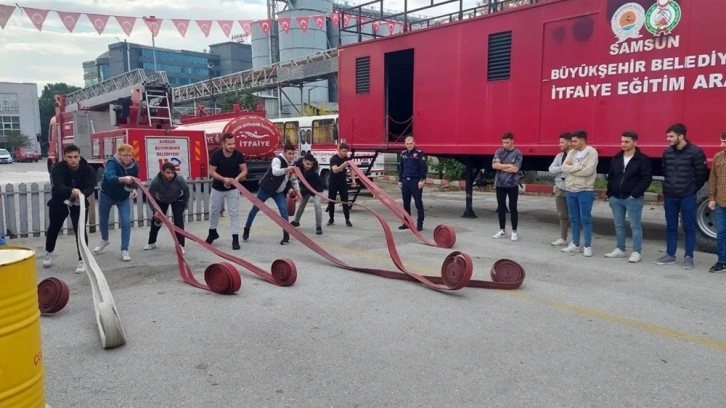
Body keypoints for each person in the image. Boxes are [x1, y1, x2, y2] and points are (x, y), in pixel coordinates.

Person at [657, 123, 707, 269]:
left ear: (681, 136)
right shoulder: (667, 153)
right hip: (670, 195)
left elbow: (701, 175)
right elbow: (665, 171)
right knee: (671, 226)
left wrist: (691, 189)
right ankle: (670, 255)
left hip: (687, 196)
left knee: (689, 227)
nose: (668, 139)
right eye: (667, 136)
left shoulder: (696, 152)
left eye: (671, 136)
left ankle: (688, 257)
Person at [42, 144, 96, 273]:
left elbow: (91, 186)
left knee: (80, 231)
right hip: (59, 200)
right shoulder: (57, 169)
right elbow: (58, 186)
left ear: (79, 156)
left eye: (75, 157)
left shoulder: (87, 169)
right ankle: (49, 252)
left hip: (80, 201)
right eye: (70, 157)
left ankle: (82, 260)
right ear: (65, 157)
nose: (73, 160)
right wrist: (72, 190)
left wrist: (81, 195)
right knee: (54, 227)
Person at [604, 131, 652, 263]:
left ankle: (636, 252)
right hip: (616, 198)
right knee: (618, 224)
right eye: (622, 141)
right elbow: (611, 177)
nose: (623, 144)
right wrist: (610, 193)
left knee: (635, 226)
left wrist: (635, 194)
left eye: (627, 142)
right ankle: (620, 249)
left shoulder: (643, 159)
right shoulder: (616, 158)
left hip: (633, 199)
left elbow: (646, 179)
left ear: (635, 142)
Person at [243, 143, 300, 245]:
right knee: (255, 209)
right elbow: (275, 172)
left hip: (278, 191)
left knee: (283, 211)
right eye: (289, 154)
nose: (291, 156)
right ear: (284, 153)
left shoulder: (292, 165)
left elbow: (294, 179)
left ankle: (286, 236)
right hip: (266, 189)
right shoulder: (277, 160)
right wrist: (286, 169)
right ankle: (247, 228)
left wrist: (297, 191)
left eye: (293, 154)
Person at [93, 143, 139, 261]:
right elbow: (110, 177)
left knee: (125, 222)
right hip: (107, 194)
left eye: (130, 155)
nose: (128, 158)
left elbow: (135, 179)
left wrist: (134, 189)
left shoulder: (134, 165)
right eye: (125, 155)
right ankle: (104, 239)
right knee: (103, 219)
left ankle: (124, 249)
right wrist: (124, 179)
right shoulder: (111, 163)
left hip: (123, 197)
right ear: (119, 154)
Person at [205, 133, 248, 250]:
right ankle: (212, 232)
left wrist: (237, 179)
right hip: (218, 188)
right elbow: (211, 172)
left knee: (234, 213)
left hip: (233, 189)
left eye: (233, 143)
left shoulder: (238, 155)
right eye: (229, 144)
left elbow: (244, 170)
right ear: (223, 144)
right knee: (214, 211)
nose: (232, 146)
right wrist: (223, 179)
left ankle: (235, 238)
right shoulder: (216, 155)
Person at [560, 130, 598, 257]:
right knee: (574, 218)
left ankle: (587, 246)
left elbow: (588, 171)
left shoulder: (592, 152)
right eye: (572, 141)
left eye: (575, 141)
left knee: (585, 218)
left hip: (585, 190)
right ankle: (575, 244)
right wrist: (579, 167)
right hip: (571, 189)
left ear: (582, 140)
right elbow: (564, 167)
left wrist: (572, 169)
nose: (573, 143)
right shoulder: (571, 152)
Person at [145, 162, 190, 254]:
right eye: (168, 172)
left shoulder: (179, 179)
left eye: (172, 173)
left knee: (178, 221)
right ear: (162, 172)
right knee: (156, 221)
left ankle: (180, 245)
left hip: (177, 199)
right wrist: (155, 210)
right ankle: (152, 242)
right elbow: (150, 197)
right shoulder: (155, 181)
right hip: (162, 200)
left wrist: (186, 201)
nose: (171, 175)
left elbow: (186, 190)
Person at [491, 132, 523, 241]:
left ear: (512, 141)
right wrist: (508, 165)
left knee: (513, 207)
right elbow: (494, 165)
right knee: (501, 207)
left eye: (507, 142)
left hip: (512, 184)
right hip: (500, 183)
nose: (505, 144)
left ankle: (514, 231)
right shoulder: (499, 151)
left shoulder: (518, 153)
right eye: (503, 142)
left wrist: (501, 166)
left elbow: (515, 169)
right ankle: (502, 230)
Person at [397, 136, 428, 231]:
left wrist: (422, 180)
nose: (409, 145)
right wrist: (400, 180)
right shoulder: (403, 154)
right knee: (406, 203)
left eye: (411, 143)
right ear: (405, 144)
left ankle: (420, 224)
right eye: (407, 143)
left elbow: (423, 167)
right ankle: (406, 223)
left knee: (418, 203)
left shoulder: (419, 153)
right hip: (405, 181)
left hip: (416, 181)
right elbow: (401, 168)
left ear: (414, 143)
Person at [291, 153, 324, 235]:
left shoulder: (313, 171)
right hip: (306, 187)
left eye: (311, 164)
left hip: (316, 188)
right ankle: (296, 222)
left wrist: (300, 194)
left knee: (317, 205)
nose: (309, 166)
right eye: (307, 164)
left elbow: (309, 186)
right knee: (302, 205)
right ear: (303, 161)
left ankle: (318, 226)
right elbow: (294, 177)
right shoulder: (298, 166)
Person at [548, 132, 571, 246]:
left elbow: (573, 170)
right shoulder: (559, 156)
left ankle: (575, 241)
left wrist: (562, 170)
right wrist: (562, 168)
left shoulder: (576, 156)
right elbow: (551, 169)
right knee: (562, 215)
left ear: (569, 142)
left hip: (572, 189)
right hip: (559, 189)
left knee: (575, 216)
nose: (559, 144)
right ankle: (563, 238)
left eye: (562, 142)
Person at [707, 132, 726, 273]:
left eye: (724, 142)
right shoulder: (718, 158)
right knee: (721, 233)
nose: (721, 145)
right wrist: (712, 198)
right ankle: (722, 261)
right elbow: (713, 180)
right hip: (721, 201)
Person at [326, 142, 356, 227]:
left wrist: (353, 180)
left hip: (342, 182)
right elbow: (335, 170)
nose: (345, 153)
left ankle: (347, 220)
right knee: (331, 201)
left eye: (346, 151)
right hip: (333, 182)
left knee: (345, 201)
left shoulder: (347, 159)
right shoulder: (333, 159)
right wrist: (343, 166)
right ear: (338, 150)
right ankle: (331, 219)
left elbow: (352, 169)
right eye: (343, 151)